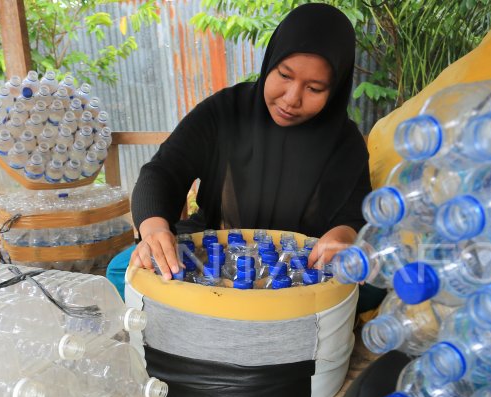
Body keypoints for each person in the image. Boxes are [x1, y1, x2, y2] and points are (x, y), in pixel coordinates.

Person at [128, 3, 371, 283]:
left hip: (301, 270)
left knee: (371, 287)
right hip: (213, 256)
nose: (292, 98)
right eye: (284, 75)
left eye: (314, 88)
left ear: (336, 89)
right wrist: (154, 230)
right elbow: (163, 172)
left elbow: (354, 216)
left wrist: (342, 237)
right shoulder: (224, 112)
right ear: (270, 61)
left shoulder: (345, 143)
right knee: (126, 269)